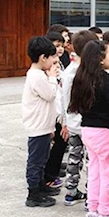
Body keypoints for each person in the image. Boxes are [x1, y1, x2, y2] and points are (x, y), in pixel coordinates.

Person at [69, 40, 109, 217]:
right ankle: (105, 214)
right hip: (104, 131)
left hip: (87, 131)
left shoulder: (81, 77)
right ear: (100, 59)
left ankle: (92, 211)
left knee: (94, 171)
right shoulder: (106, 80)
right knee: (107, 173)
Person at [21, 36, 61, 207]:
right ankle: (33, 194)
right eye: (52, 57)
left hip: (44, 125)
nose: (54, 61)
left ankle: (41, 186)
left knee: (42, 159)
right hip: (38, 126)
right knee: (36, 161)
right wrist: (52, 78)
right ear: (43, 57)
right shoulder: (37, 76)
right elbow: (50, 95)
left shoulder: (38, 74)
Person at [61, 30, 100, 206]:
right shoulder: (89, 73)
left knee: (74, 158)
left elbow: (63, 98)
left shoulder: (69, 70)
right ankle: (91, 196)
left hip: (72, 122)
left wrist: (64, 121)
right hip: (88, 124)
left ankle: (70, 192)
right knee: (91, 161)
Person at [41, 32, 68, 191]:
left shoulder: (60, 62)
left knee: (60, 144)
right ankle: (49, 177)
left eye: (62, 46)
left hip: (59, 112)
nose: (60, 49)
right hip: (52, 114)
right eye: (57, 46)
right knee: (57, 144)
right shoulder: (47, 68)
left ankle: (52, 172)